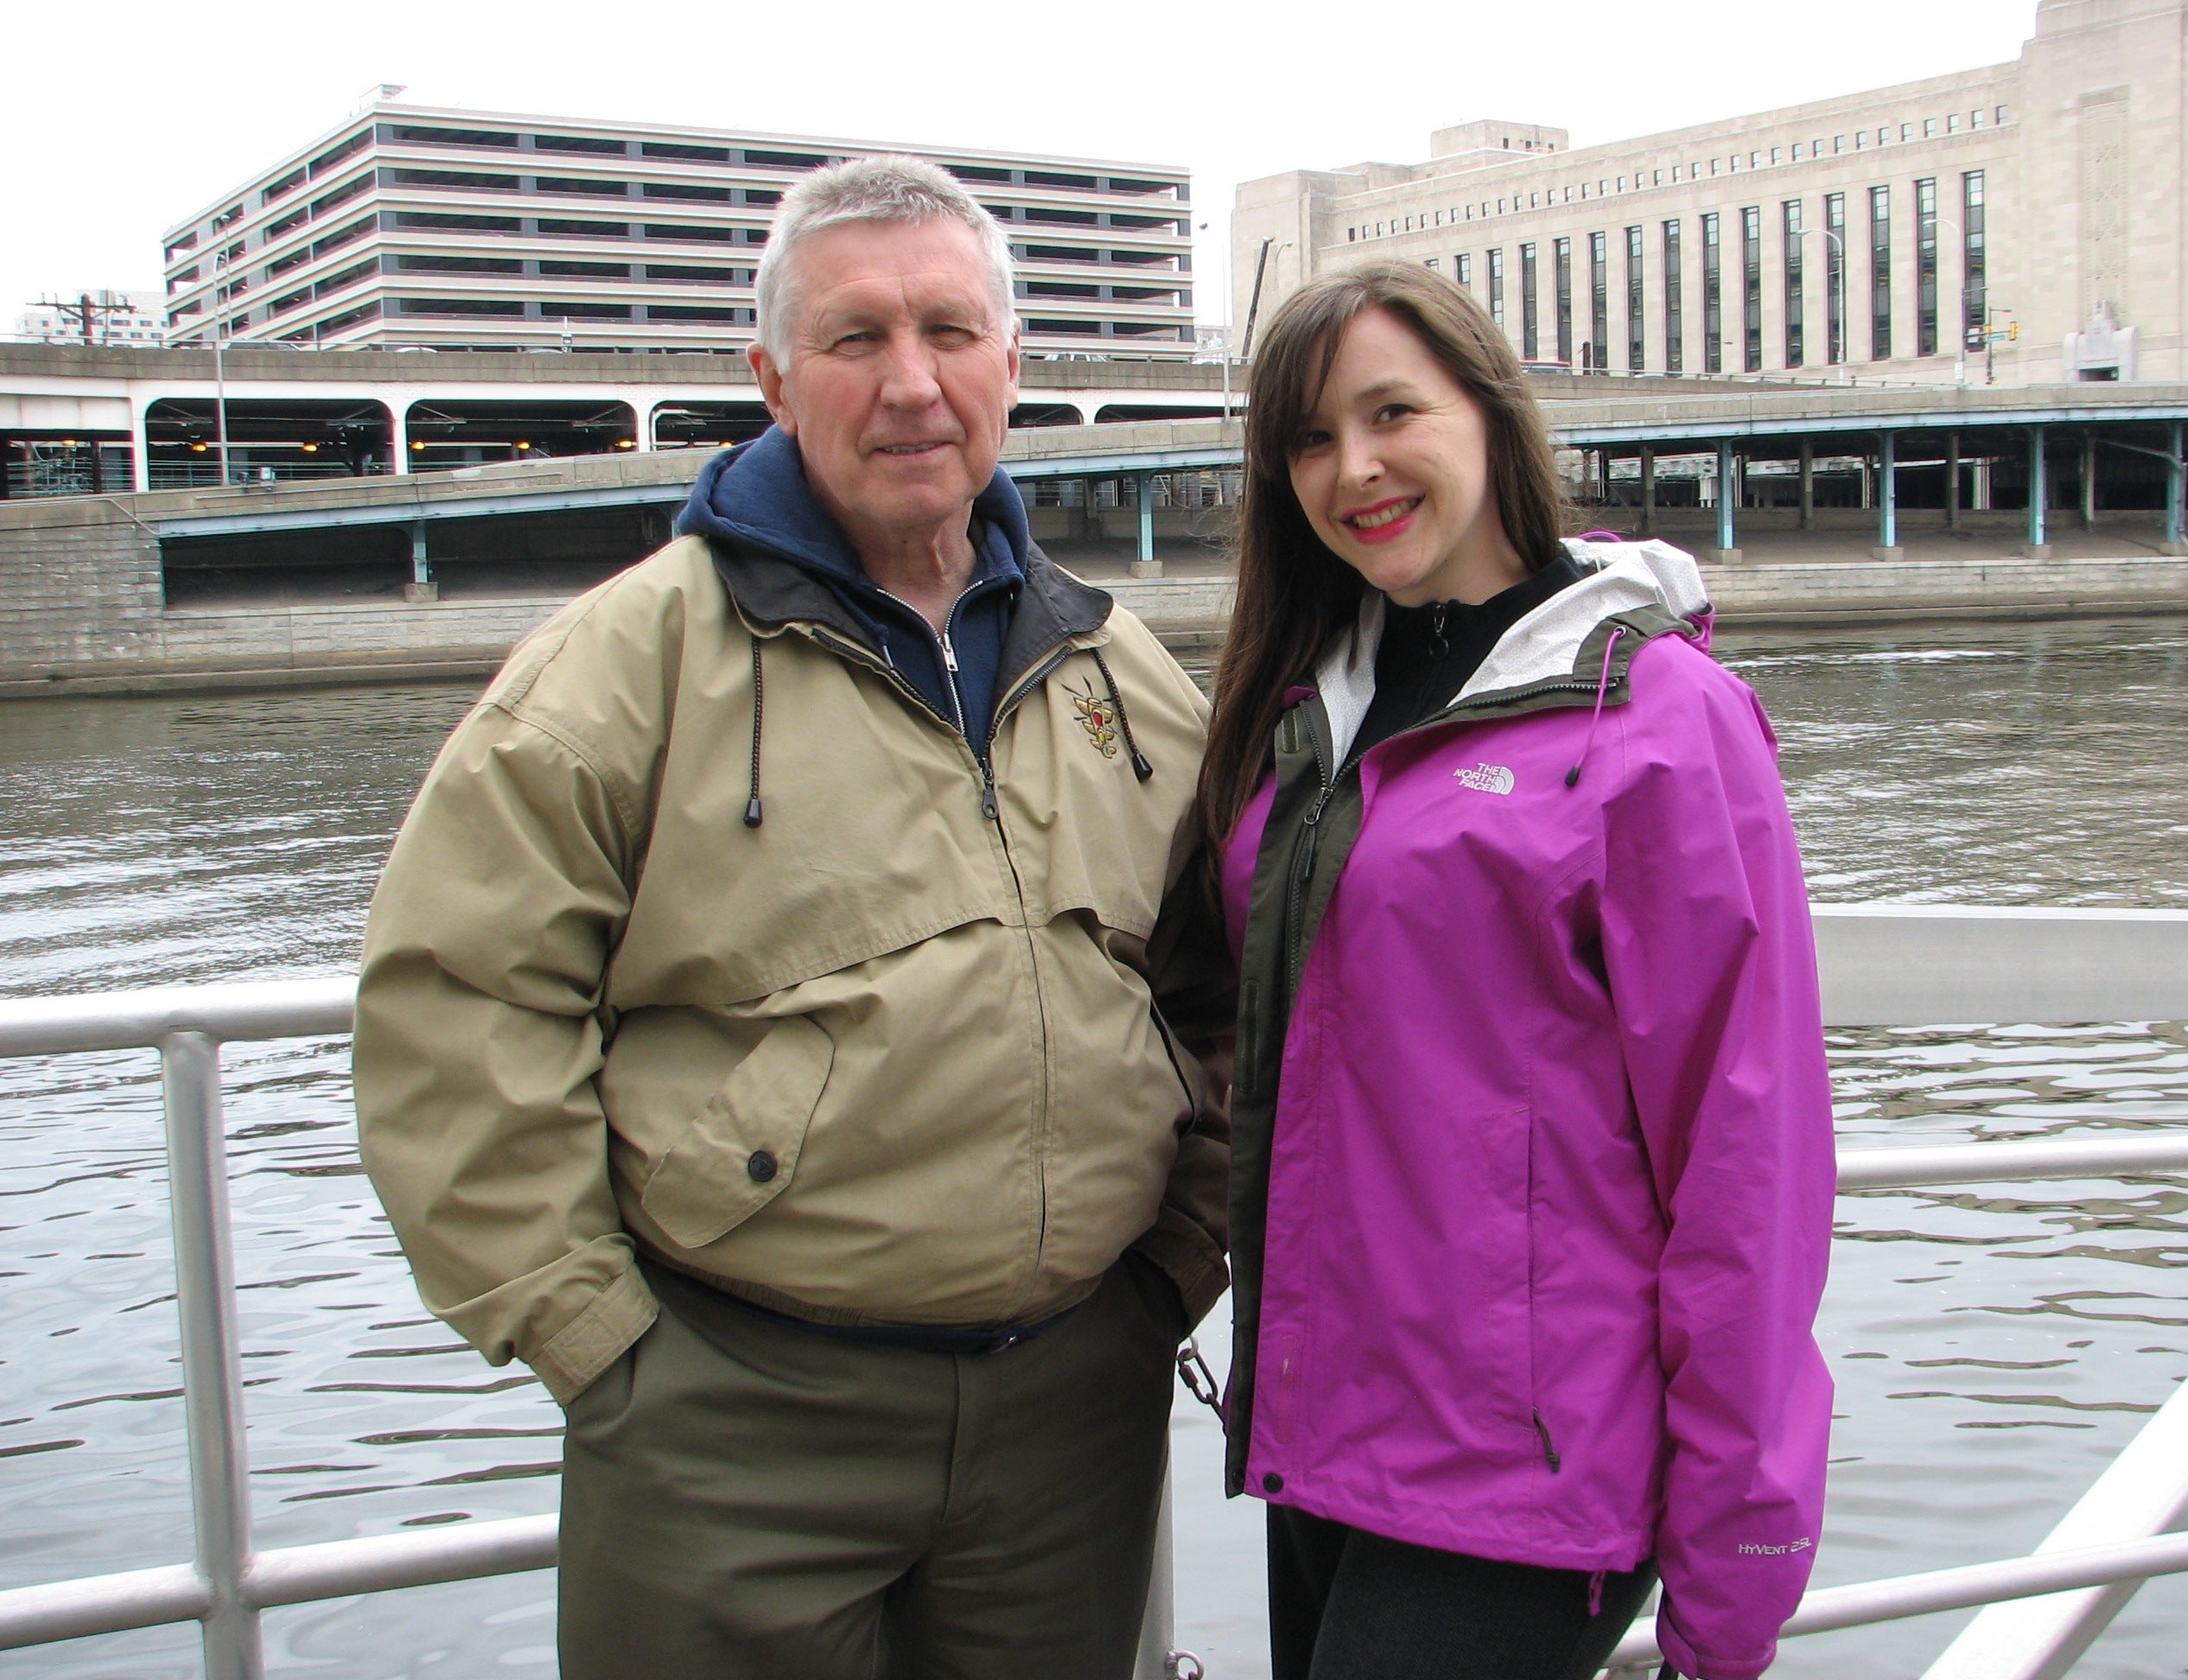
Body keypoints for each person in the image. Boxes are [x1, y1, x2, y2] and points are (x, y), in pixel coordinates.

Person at [353, 156, 1232, 1680]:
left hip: (1069, 1408)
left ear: (1012, 365)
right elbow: (459, 998)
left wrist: (1178, 1260)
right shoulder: (625, 667)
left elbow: (1233, 982)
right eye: (856, 339)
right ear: (769, 376)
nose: (913, 385)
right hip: (729, 1413)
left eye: (952, 333)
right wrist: (597, 1345)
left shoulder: (1119, 676)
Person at [1196, 262, 1835, 1680]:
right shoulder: (1318, 698)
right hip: (1325, 1430)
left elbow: (1748, 1151)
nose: (1352, 467)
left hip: (1524, 1464)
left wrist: (1734, 1572)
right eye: (1308, 437)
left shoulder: (1654, 713)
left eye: (1391, 412)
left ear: (1491, 410)